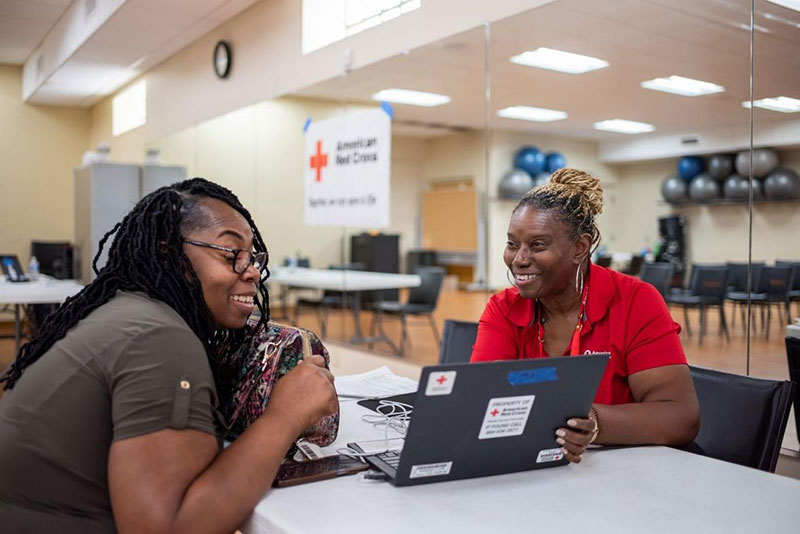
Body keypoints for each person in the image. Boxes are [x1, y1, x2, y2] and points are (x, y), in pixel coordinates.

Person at [0, 178, 338, 533]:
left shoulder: (130, 311)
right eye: (230, 254)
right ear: (169, 255)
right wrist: (285, 416)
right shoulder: (159, 338)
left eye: (252, 257)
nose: (252, 270)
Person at [471, 168, 699, 463]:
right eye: (513, 243)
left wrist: (594, 423)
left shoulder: (635, 301)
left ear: (580, 248)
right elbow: (482, 400)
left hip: (626, 471)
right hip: (535, 467)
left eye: (537, 244)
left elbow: (680, 416)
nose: (519, 259)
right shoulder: (504, 307)